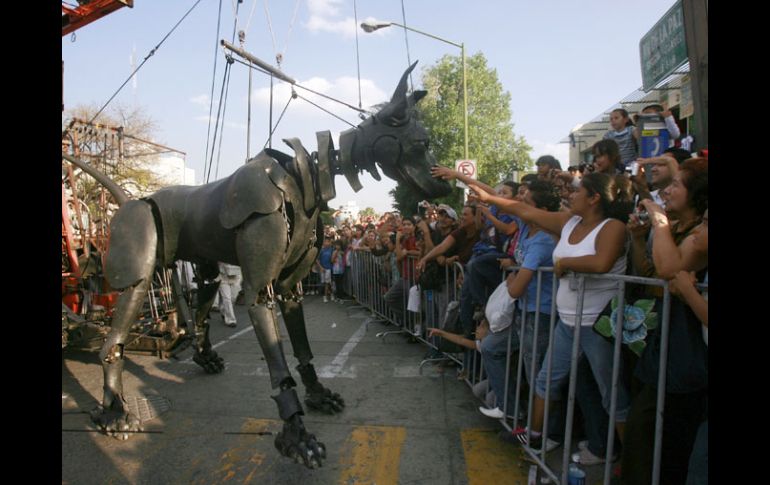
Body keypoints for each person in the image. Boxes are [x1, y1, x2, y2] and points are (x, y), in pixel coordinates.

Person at [469, 172, 634, 453]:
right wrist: (489, 198)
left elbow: (601, 262)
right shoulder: (569, 223)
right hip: (567, 323)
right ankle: (533, 434)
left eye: (579, 190)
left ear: (594, 198)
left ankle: (631, 459)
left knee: (611, 393)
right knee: (545, 381)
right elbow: (522, 210)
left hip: (597, 326)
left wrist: (566, 262)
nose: (572, 193)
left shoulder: (613, 227)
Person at [621, 160, 708, 485]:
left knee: (662, 441)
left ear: (696, 194)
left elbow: (671, 269)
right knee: (643, 436)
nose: (667, 191)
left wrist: (658, 222)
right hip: (664, 344)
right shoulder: (678, 228)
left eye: (676, 185)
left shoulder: (699, 234)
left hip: (685, 353)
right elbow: (654, 276)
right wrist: (642, 237)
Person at [478, 180, 561, 421]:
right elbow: (497, 197)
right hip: (524, 312)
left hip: (540, 317)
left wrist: (515, 274)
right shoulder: (526, 227)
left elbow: (515, 290)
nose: (520, 203)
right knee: (491, 347)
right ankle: (511, 408)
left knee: (537, 375)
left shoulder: (544, 240)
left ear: (541, 210)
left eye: (527, 202)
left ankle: (541, 433)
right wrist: (459, 176)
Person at [217, 262, 242, 327]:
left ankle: (223, 310)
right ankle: (231, 320)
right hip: (222, 276)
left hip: (236, 275)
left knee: (233, 297)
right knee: (227, 298)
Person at [316, 237, 334, 303]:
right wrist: (320, 267)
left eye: (328, 241)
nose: (326, 243)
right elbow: (317, 260)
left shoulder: (332, 249)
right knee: (326, 283)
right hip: (322, 269)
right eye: (325, 241)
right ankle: (331, 294)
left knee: (327, 283)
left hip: (329, 268)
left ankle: (325, 296)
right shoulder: (321, 250)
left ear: (330, 242)